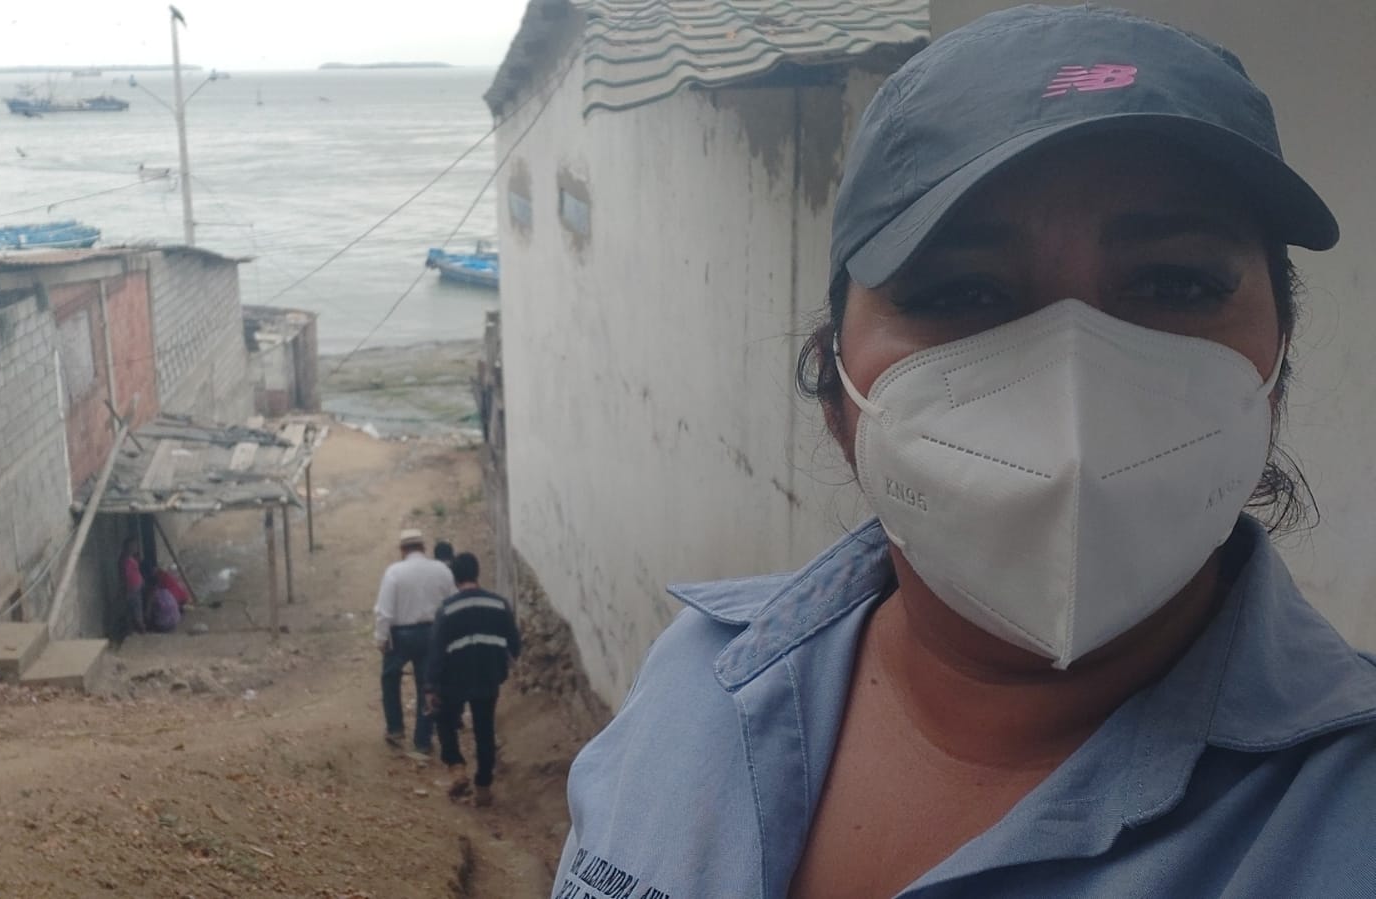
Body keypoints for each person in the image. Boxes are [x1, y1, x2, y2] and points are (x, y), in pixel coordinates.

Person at [554, 7, 1376, 899]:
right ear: (837, 391)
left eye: (1173, 282)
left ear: (1273, 370)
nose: (1070, 384)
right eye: (962, 291)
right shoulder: (696, 677)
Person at [425, 552, 521, 807]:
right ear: (477, 573)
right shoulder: (499, 605)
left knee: (445, 720)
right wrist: (503, 663)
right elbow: (514, 643)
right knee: (484, 729)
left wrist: (431, 686)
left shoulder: (448, 609)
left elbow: (436, 650)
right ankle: (483, 787)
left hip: (454, 677)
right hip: (488, 675)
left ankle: (456, 767)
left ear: (455, 578)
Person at [374, 528, 455, 756]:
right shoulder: (441, 570)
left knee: (390, 678)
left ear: (402, 550)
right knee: (427, 685)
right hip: (433, 634)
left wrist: (381, 638)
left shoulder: (394, 572)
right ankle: (423, 739)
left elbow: (384, 611)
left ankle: (395, 728)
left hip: (400, 635)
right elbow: (452, 603)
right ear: (424, 548)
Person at [118, 537, 146, 635]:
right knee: (134, 610)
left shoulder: (132, 558)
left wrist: (141, 581)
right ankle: (138, 630)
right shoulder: (124, 560)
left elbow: (135, 572)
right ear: (127, 547)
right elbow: (124, 576)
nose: (135, 548)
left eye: (136, 545)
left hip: (136, 588)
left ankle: (137, 629)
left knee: (137, 609)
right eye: (133, 545)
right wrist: (125, 590)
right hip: (131, 589)